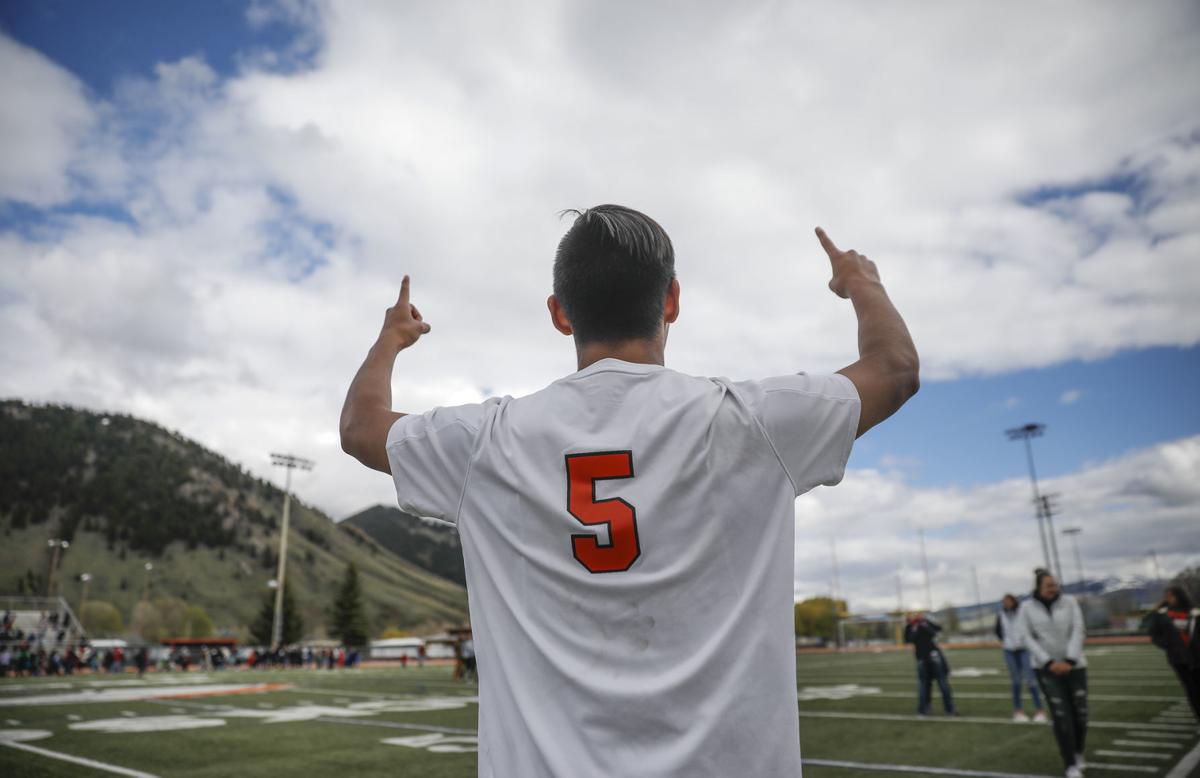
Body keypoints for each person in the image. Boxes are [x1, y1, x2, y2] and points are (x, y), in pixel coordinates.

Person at [340, 205, 919, 777]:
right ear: (671, 300)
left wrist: (390, 339)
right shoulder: (752, 421)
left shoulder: (484, 442)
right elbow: (894, 369)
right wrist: (861, 282)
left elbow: (360, 428)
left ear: (560, 314)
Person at [1018, 568, 1088, 778]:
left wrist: (1069, 660)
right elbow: (1026, 637)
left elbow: (1078, 629)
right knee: (1061, 715)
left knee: (1081, 715)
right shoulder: (1027, 608)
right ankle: (1069, 763)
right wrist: (1048, 662)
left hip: (1075, 666)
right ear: (1038, 587)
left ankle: (1078, 752)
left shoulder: (1069, 602)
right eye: (1048, 585)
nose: (1052, 589)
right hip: (1046, 670)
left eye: (1054, 584)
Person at [1145, 585, 1200, 722]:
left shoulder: (1194, 612)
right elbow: (1153, 633)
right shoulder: (1162, 614)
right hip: (1179, 659)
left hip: (1197, 657)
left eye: (1171, 595)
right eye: (1166, 596)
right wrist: (1168, 644)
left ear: (1179, 595)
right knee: (1192, 690)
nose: (1168, 598)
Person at [996, 593, 1046, 722]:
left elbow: (1030, 626)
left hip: (1024, 649)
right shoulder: (1001, 614)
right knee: (1016, 682)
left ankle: (1040, 711)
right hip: (1009, 650)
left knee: (1031, 680)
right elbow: (997, 630)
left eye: (1008, 601)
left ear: (1013, 601)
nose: (1006, 603)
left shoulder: (1022, 612)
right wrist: (1005, 641)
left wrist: (1026, 640)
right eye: (1004, 601)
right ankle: (1018, 711)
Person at [904, 612, 957, 716]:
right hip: (923, 659)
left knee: (941, 683)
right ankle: (925, 709)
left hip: (932, 656)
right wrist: (915, 626)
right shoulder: (910, 626)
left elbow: (936, 630)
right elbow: (908, 639)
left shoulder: (925, 623)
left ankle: (948, 708)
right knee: (926, 684)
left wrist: (924, 623)